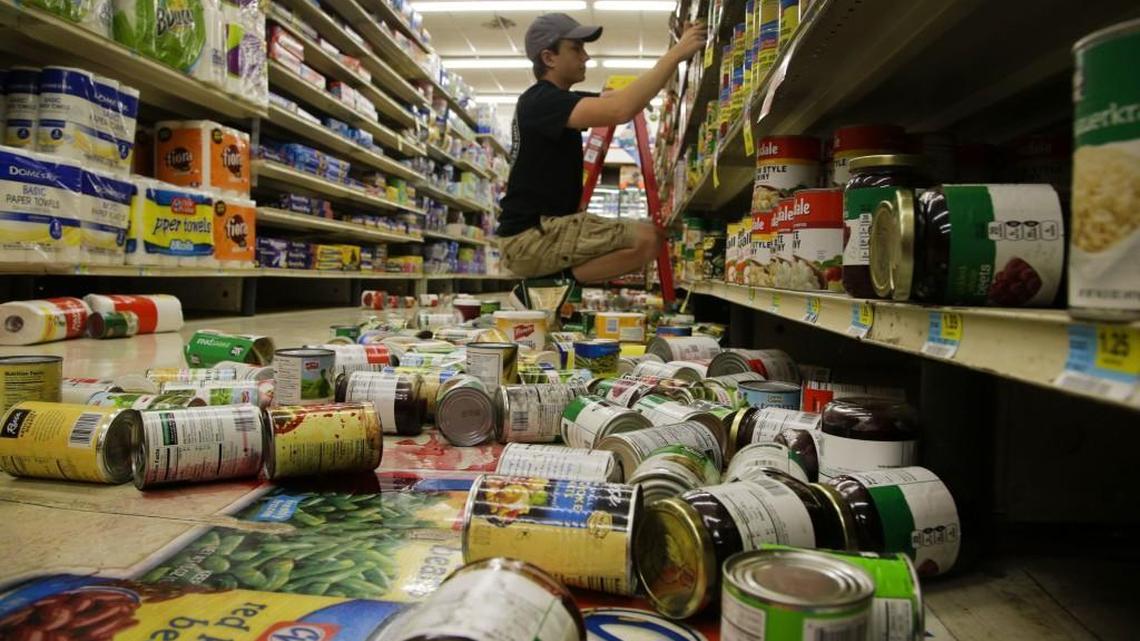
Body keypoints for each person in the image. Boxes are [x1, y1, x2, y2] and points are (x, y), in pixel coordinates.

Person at [497, 13, 707, 284]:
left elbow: (623, 97)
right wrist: (677, 54)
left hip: (539, 232)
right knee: (647, 240)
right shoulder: (540, 101)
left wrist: (676, 50)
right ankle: (548, 287)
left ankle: (552, 286)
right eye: (576, 48)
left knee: (649, 239)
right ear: (549, 58)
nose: (585, 57)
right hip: (530, 236)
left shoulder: (558, 100)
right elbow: (620, 109)